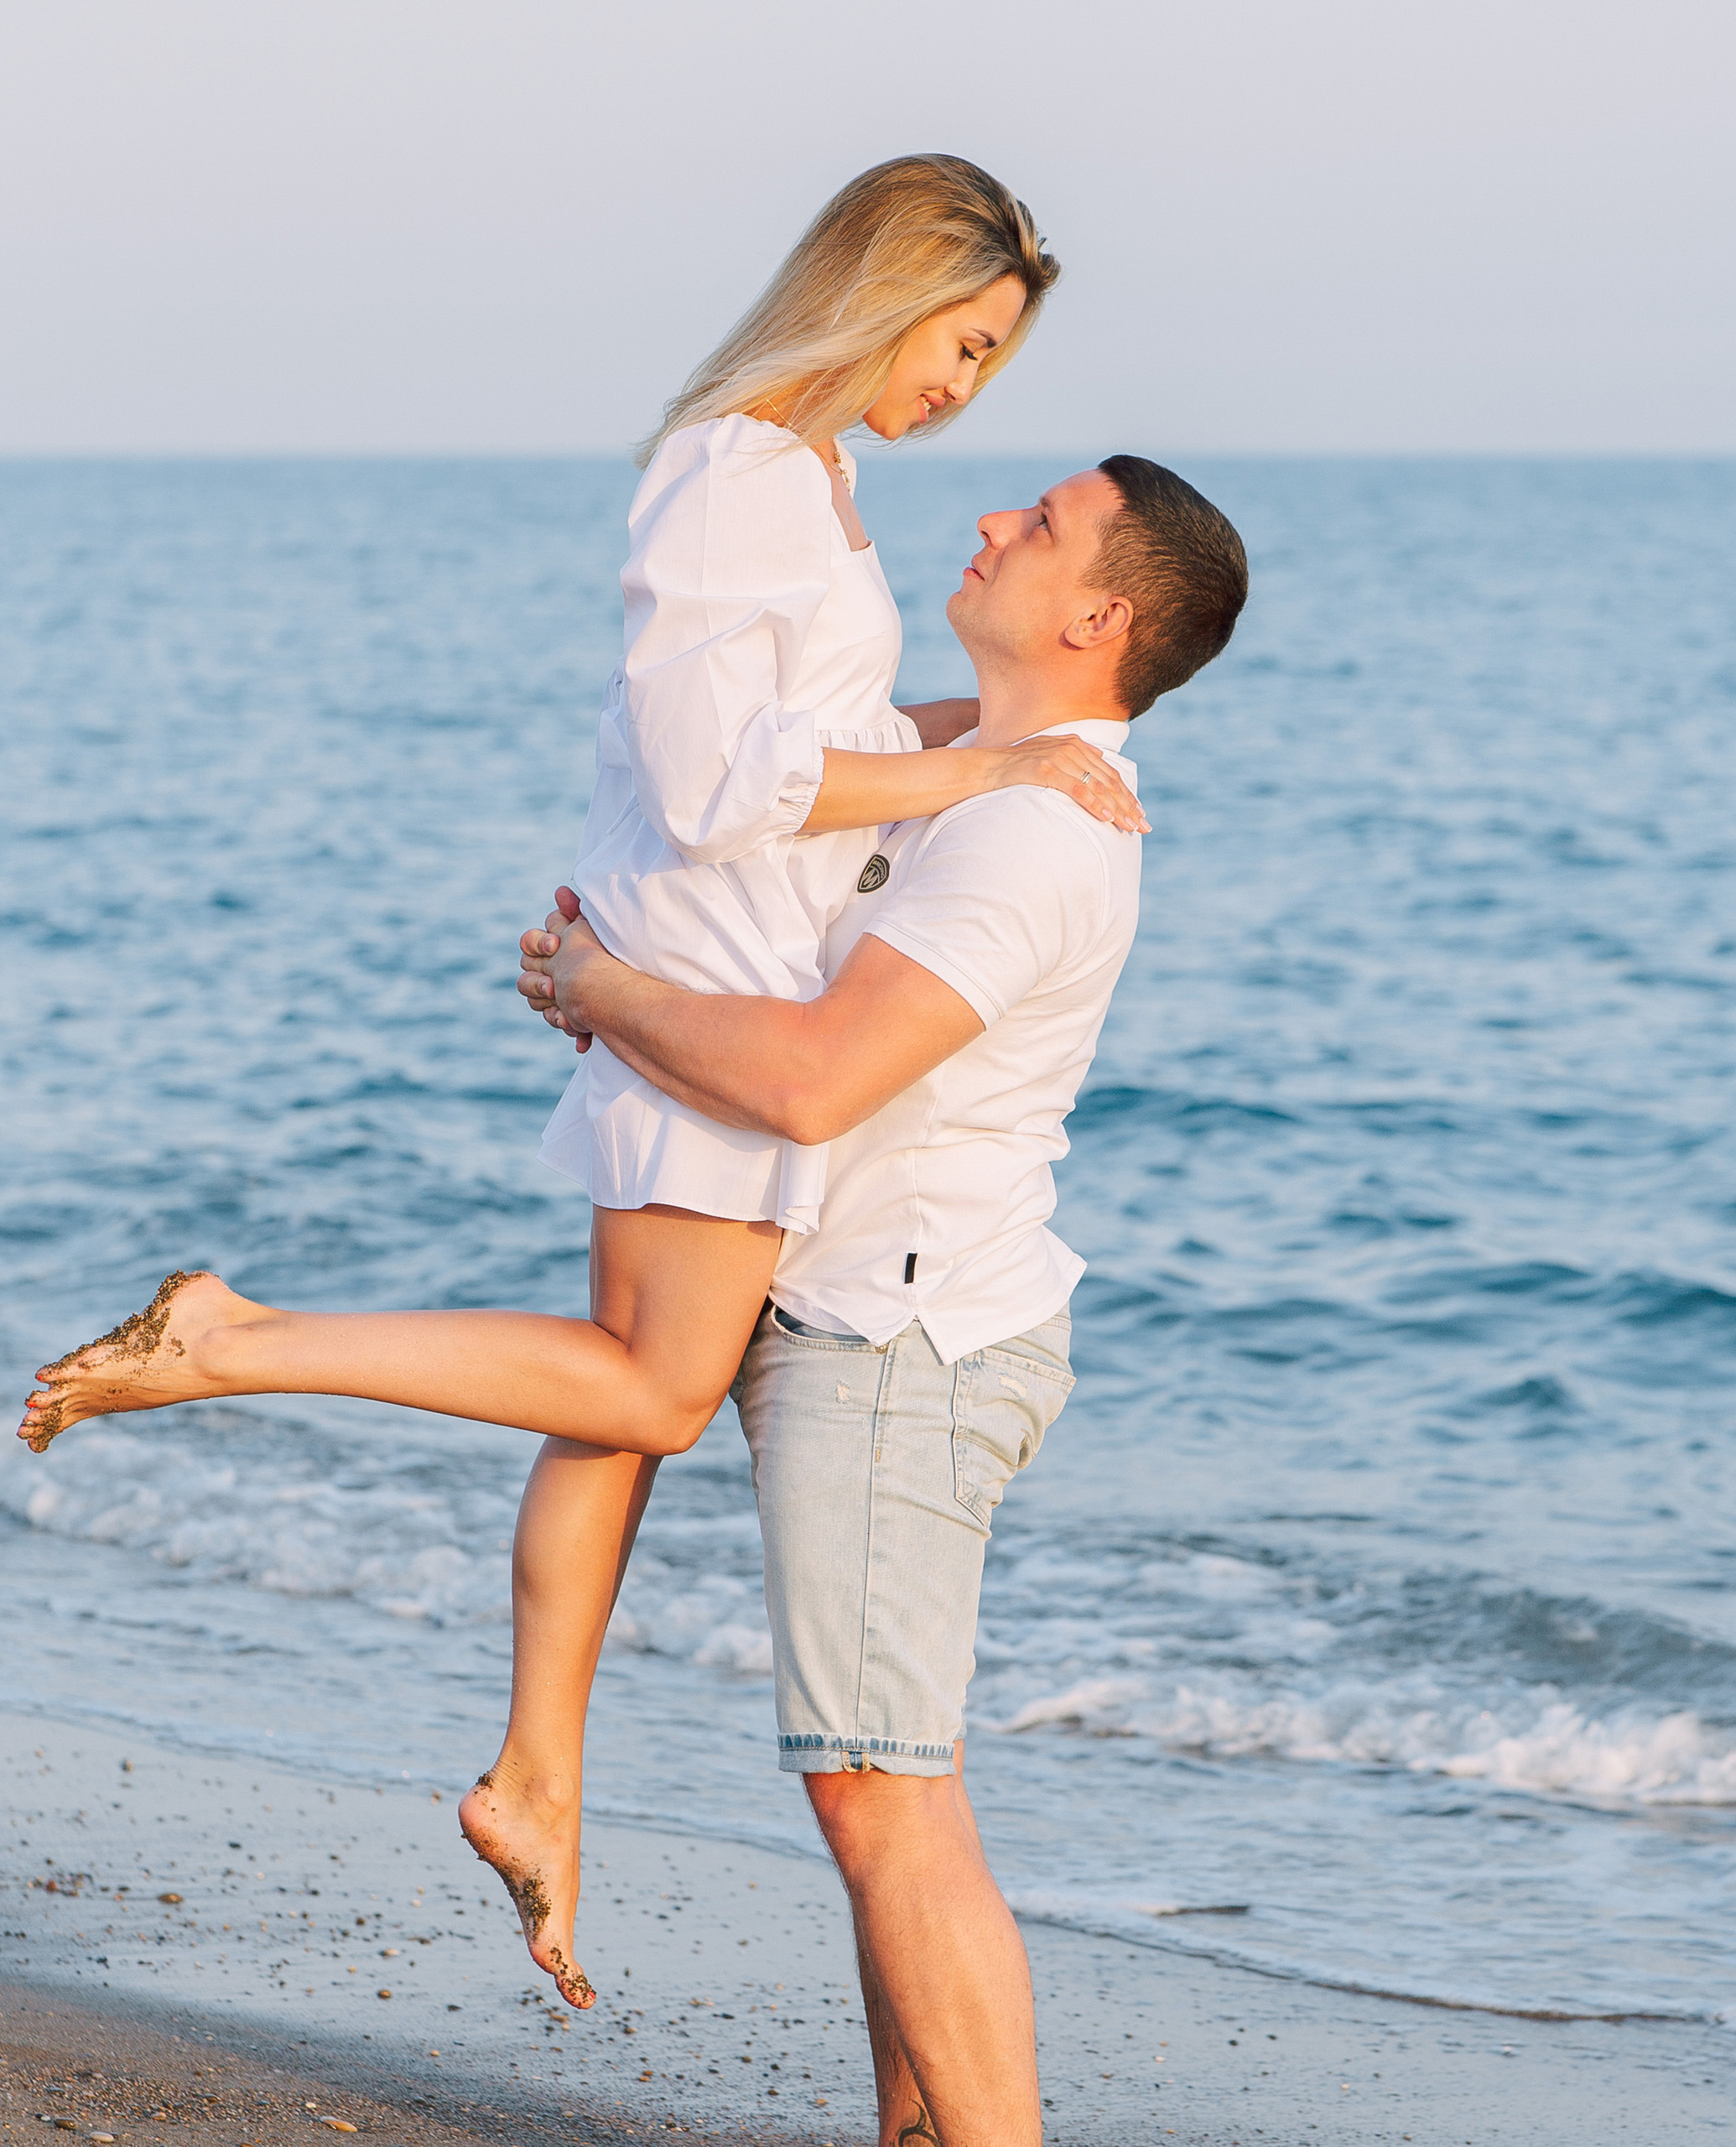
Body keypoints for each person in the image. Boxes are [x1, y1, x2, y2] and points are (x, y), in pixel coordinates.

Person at [16, 153, 1143, 2009]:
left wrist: (1000, 737)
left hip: (712, 954)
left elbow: (811, 736)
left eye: (992, 364)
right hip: (703, 969)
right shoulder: (738, 472)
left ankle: (538, 1769)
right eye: (960, 340)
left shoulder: (812, 477)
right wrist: (980, 779)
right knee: (648, 1381)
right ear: (879, 290)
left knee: (623, 1398)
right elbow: (719, 787)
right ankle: (230, 1340)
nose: (964, 391)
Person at [518, 455, 1248, 2147]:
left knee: (882, 1793)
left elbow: (813, 1077)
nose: (990, 519)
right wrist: (602, 979)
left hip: (899, 1342)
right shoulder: (965, 771)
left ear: (1097, 614)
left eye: (1040, 524)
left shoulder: (1025, 831)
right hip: (866, 1322)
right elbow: (741, 817)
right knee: (880, 1784)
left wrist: (607, 988)